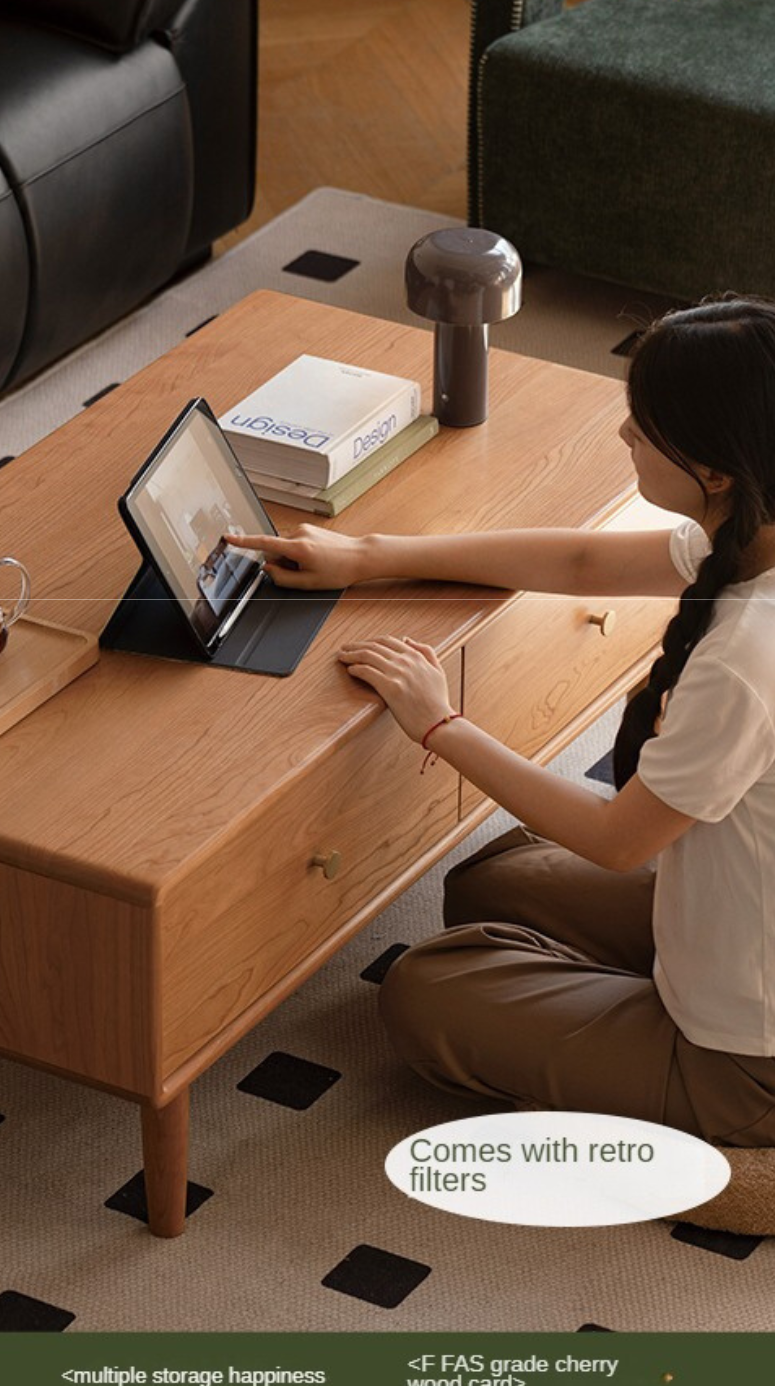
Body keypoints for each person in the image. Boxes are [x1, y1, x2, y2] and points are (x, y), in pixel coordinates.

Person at [226, 297, 775, 1144]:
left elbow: (619, 839)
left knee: (424, 991)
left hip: (744, 1059)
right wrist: (369, 557)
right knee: (493, 879)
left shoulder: (747, 654)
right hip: (737, 926)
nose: (624, 434)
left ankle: (712, 1110)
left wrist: (439, 722)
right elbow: (584, 558)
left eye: (644, 423)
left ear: (717, 469)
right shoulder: (753, 532)